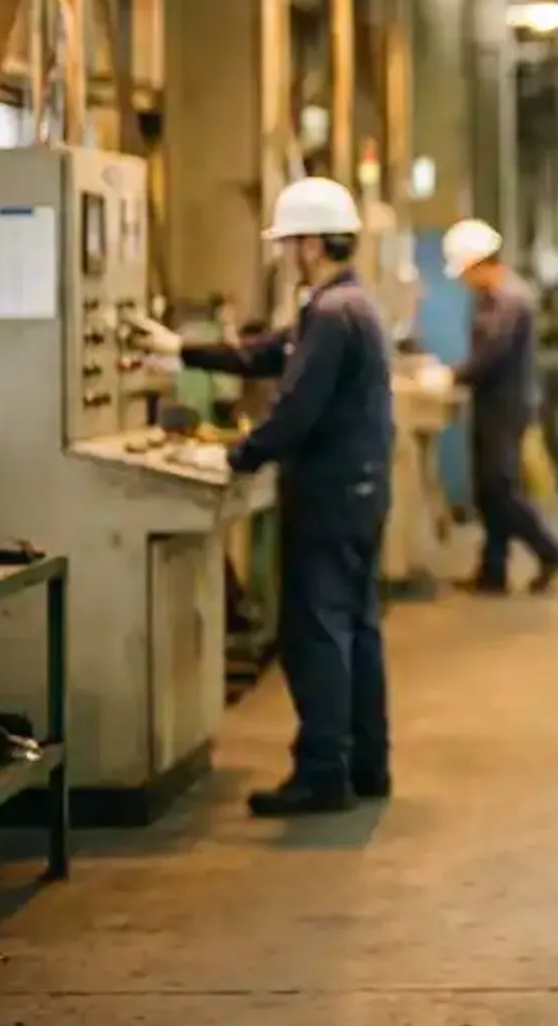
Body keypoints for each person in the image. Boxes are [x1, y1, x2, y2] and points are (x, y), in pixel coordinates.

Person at [126, 177, 395, 817]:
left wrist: (238, 454)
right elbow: (269, 353)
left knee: (317, 630)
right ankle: (367, 763)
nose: (284, 255)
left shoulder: (331, 315)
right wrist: (182, 351)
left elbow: (297, 406)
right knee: (356, 626)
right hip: (360, 490)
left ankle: (323, 773)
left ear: (309, 244)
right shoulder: (347, 304)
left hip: (329, 493)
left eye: (289, 243)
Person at [441, 218, 558, 595]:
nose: (464, 281)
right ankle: (492, 572)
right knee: (488, 490)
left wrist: (453, 376)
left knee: (501, 489)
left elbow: (491, 354)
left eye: (465, 272)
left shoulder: (509, 300)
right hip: (492, 405)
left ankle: (550, 552)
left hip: (506, 407)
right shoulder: (491, 298)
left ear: (480, 263)